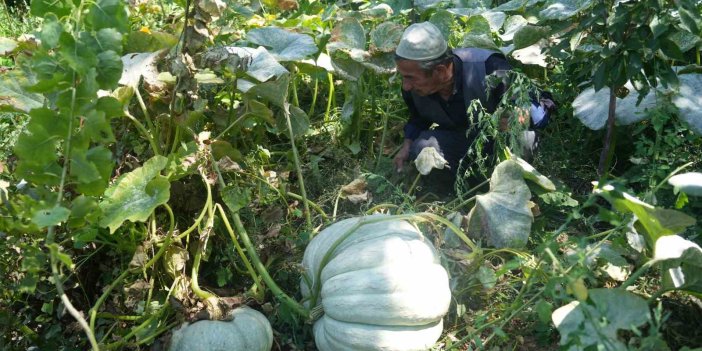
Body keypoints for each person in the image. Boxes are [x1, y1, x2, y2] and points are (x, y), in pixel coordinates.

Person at [392, 22, 554, 194]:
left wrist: (521, 116)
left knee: (523, 139)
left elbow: (542, 106)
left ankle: (509, 189)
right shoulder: (413, 89)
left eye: (410, 78)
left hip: (499, 143)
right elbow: (419, 118)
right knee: (423, 147)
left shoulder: (489, 68)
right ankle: (458, 191)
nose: (406, 86)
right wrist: (407, 144)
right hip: (460, 143)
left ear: (439, 71)